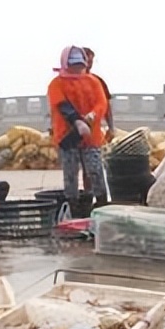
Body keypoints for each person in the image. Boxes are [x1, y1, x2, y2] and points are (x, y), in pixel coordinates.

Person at [48, 46, 109, 209]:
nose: (78, 68)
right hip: (67, 136)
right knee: (71, 175)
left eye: (80, 65)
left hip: (91, 136)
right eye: (74, 65)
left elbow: (102, 103)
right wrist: (77, 121)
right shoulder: (56, 84)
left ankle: (102, 203)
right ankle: (73, 206)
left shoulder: (93, 82)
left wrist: (91, 117)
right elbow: (61, 104)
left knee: (95, 171)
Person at [83, 48, 114, 135]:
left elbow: (107, 107)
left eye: (91, 62)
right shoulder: (65, 82)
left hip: (93, 128)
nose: (88, 64)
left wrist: (111, 128)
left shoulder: (98, 81)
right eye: (86, 61)